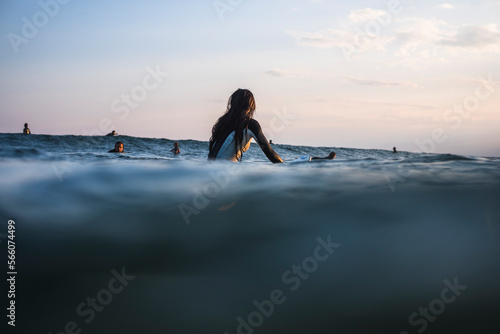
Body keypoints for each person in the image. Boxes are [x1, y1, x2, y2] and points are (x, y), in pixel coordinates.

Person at [208, 89, 283, 163]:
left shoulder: (223, 123)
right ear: (251, 106)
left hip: (210, 169)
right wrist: (287, 168)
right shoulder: (250, 124)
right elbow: (270, 153)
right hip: (226, 170)